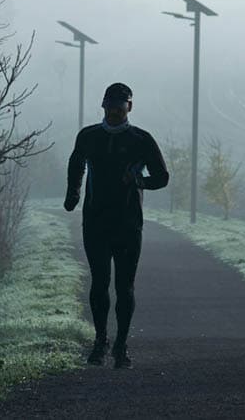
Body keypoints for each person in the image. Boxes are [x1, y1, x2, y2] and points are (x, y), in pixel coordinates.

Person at [64, 82, 169, 369]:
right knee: (99, 283)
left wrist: (140, 182)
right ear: (103, 106)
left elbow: (162, 177)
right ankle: (101, 341)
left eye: (119, 110)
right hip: (96, 221)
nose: (114, 114)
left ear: (129, 108)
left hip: (128, 223)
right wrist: (72, 194)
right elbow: (76, 163)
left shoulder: (141, 140)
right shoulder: (88, 136)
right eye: (110, 109)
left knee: (125, 287)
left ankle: (121, 345)